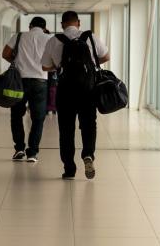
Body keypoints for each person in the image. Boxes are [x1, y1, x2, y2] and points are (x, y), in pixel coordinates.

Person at [41, 11, 110, 179]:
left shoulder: (54, 40)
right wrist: (90, 64)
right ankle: (88, 155)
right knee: (88, 125)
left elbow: (45, 67)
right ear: (78, 23)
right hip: (88, 90)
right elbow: (106, 56)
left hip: (65, 90)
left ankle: (69, 168)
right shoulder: (90, 37)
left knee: (66, 129)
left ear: (62, 24)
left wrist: (59, 66)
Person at [2, 17, 51, 162]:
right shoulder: (49, 38)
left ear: (30, 26)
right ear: (44, 27)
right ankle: (33, 153)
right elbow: (55, 58)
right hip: (40, 81)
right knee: (38, 118)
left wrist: (17, 61)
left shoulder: (18, 36)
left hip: (19, 81)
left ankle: (19, 149)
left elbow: (5, 54)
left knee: (16, 115)